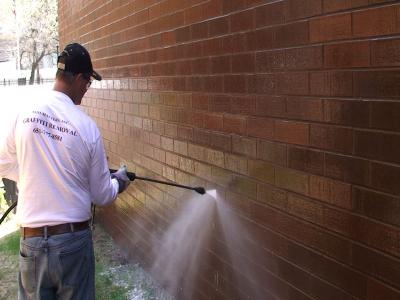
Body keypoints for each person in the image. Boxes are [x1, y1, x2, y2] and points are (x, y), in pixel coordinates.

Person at [0, 42, 131, 299]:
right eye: (88, 83)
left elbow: (3, 162)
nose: (86, 89)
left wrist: (32, 176)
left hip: (32, 243)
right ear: (79, 78)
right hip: (72, 243)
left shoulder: (23, 112)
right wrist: (119, 181)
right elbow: (103, 195)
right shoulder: (87, 127)